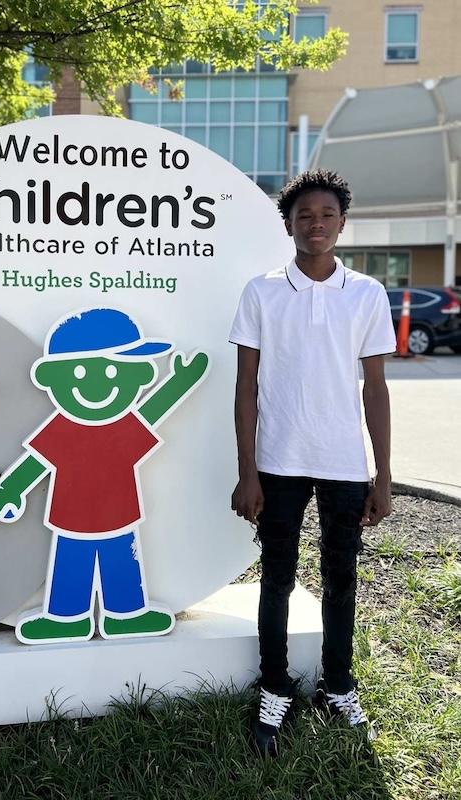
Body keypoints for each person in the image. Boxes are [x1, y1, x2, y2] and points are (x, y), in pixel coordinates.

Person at [228, 169, 396, 757]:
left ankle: (338, 684)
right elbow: (245, 387)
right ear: (289, 225)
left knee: (341, 578)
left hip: (345, 463)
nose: (315, 224)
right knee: (275, 576)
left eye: (326, 215)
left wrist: (384, 474)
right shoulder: (262, 291)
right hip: (278, 460)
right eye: (304, 216)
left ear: (342, 223)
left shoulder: (368, 294)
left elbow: (375, 389)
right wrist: (247, 472)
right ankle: (274, 687)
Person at [0, 307, 209, 644]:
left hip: (119, 513)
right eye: (83, 373)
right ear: (50, 378)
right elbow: (35, 463)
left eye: (116, 372)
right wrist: (9, 490)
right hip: (70, 518)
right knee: (71, 564)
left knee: (123, 563)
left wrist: (179, 383)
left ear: (142, 376)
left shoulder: (122, 425)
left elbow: (151, 413)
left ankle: (128, 613)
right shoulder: (61, 429)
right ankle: (65, 617)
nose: (99, 384)